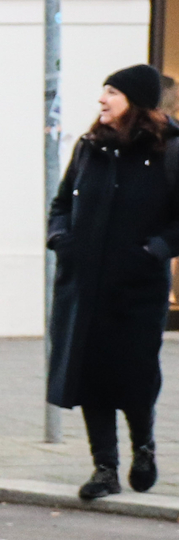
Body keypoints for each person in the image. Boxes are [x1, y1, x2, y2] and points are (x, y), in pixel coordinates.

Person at [47, 63, 179, 500]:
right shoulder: (90, 146)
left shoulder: (169, 150)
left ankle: (144, 447)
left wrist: (154, 251)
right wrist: (60, 238)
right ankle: (105, 468)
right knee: (89, 375)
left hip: (137, 289)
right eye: (104, 91)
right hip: (85, 284)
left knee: (135, 375)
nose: (102, 100)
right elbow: (61, 203)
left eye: (112, 93)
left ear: (136, 103)